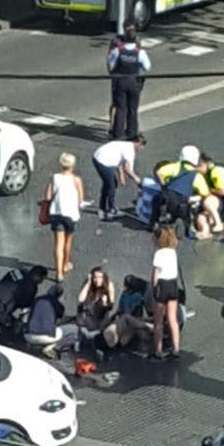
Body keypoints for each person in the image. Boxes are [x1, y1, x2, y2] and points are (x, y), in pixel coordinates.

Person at [44, 152, 84, 281]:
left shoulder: (55, 177)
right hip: (70, 215)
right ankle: (66, 264)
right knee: (68, 241)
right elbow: (81, 200)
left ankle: (59, 273)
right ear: (73, 165)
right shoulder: (76, 180)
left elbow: (48, 196)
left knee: (58, 244)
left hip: (56, 213)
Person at [108, 21, 151, 140]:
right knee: (133, 109)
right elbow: (147, 67)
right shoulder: (140, 52)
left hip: (121, 81)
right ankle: (132, 134)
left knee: (121, 108)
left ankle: (117, 134)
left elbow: (111, 65)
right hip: (134, 81)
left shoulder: (118, 50)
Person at [0, 264, 47, 335]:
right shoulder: (31, 286)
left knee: (10, 321)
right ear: (38, 276)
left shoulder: (18, 272)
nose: (41, 282)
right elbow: (24, 305)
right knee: (15, 330)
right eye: (42, 279)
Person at [92, 135, 145, 220]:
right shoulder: (130, 151)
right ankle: (111, 210)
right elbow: (127, 169)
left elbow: (119, 160)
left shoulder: (124, 145)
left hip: (98, 156)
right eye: (142, 145)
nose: (142, 148)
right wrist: (137, 180)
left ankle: (102, 208)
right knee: (111, 185)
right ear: (138, 143)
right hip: (103, 161)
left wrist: (121, 175)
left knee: (108, 184)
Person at [151, 225, 182, 360]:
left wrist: (153, 287)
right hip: (173, 285)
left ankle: (158, 350)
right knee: (172, 319)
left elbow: (155, 274)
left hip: (162, 285)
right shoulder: (172, 252)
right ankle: (176, 348)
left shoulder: (159, 254)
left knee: (158, 321)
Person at [25, 284, 76, 359]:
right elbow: (59, 320)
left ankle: (29, 346)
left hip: (28, 336)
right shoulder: (59, 305)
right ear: (59, 295)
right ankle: (51, 347)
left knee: (33, 323)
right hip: (46, 337)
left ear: (49, 291)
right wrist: (72, 318)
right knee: (73, 329)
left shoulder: (37, 299)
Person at [77, 266, 116, 332]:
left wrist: (105, 303)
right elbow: (80, 299)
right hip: (87, 316)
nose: (97, 280)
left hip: (100, 318)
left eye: (100, 277)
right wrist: (88, 283)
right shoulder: (89, 285)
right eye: (95, 277)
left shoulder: (109, 286)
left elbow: (110, 306)